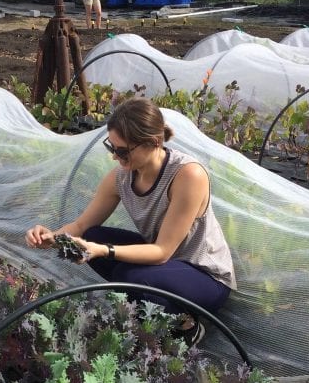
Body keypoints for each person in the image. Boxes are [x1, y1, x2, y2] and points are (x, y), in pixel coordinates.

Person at [25, 97, 236, 347]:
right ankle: (155, 313)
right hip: (164, 265)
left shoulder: (187, 175)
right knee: (93, 236)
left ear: (153, 142)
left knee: (127, 273)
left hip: (204, 277)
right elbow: (81, 227)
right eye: (111, 147)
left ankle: (186, 326)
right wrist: (52, 238)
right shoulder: (121, 177)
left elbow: (162, 251)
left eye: (123, 151)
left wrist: (104, 251)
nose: (115, 157)